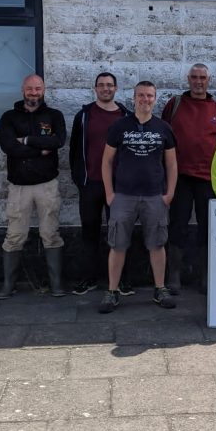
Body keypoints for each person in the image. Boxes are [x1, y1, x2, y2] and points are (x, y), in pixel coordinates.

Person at [99, 81, 179, 314]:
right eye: (141, 95)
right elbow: (106, 162)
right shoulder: (119, 126)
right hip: (123, 196)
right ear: (134, 98)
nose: (145, 99)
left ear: (156, 98)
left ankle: (160, 288)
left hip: (155, 196)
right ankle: (112, 291)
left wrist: (170, 193)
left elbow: (172, 164)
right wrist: (109, 194)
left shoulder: (164, 128)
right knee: (118, 244)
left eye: (150, 96)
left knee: (157, 243)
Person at [0, 74, 67, 299]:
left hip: (47, 185)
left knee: (51, 234)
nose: (34, 93)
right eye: (30, 89)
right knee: (15, 235)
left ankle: (56, 285)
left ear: (43, 90)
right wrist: (40, 149)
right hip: (19, 187)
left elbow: (58, 142)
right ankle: (8, 285)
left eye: (38, 89)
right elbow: (8, 147)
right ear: (23, 90)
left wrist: (25, 140)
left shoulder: (54, 115)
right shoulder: (9, 117)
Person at [161, 63, 216, 292]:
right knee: (177, 225)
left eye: (203, 78)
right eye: (194, 77)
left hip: (208, 178)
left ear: (209, 81)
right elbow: (164, 137)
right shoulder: (175, 104)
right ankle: (174, 276)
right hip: (179, 177)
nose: (198, 82)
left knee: (207, 227)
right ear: (188, 79)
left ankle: (206, 276)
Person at [69, 71, 132, 295]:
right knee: (90, 233)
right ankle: (89, 278)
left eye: (110, 85)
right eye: (101, 85)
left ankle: (121, 280)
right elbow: (75, 149)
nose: (106, 88)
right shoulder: (84, 115)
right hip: (91, 184)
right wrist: (80, 179)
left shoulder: (126, 116)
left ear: (116, 88)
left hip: (119, 186)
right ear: (95, 88)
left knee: (120, 234)